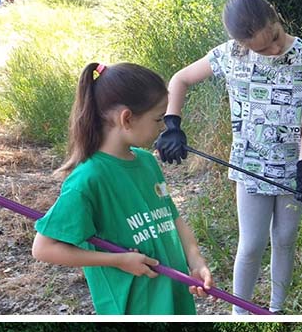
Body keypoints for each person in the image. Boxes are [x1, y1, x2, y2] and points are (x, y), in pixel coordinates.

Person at [157, 0, 302, 314]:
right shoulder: (229, 55)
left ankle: (276, 309)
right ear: (241, 43)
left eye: (274, 39)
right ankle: (240, 312)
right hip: (250, 167)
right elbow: (179, 79)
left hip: (293, 171)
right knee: (251, 246)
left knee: (286, 239)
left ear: (275, 19)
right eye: (262, 50)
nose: (274, 51)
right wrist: (172, 123)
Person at [33, 62, 215, 314]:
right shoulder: (88, 179)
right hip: (135, 308)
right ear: (127, 118)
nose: (163, 126)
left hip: (173, 297)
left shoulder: (147, 162)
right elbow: (44, 248)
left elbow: (172, 217)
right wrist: (118, 260)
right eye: (158, 118)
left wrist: (196, 261)